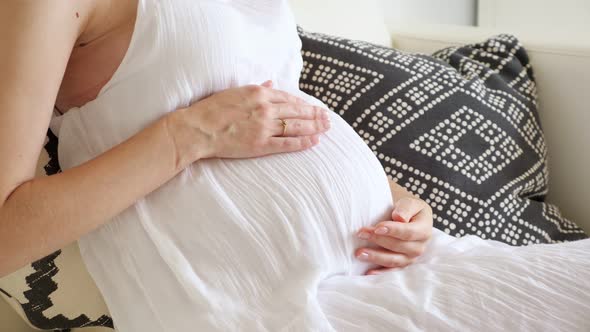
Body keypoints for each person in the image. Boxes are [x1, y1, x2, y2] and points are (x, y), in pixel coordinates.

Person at [0, 1, 588, 331]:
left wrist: (405, 204)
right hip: (268, 307)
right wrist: (187, 135)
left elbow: (279, 117)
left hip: (397, 269)